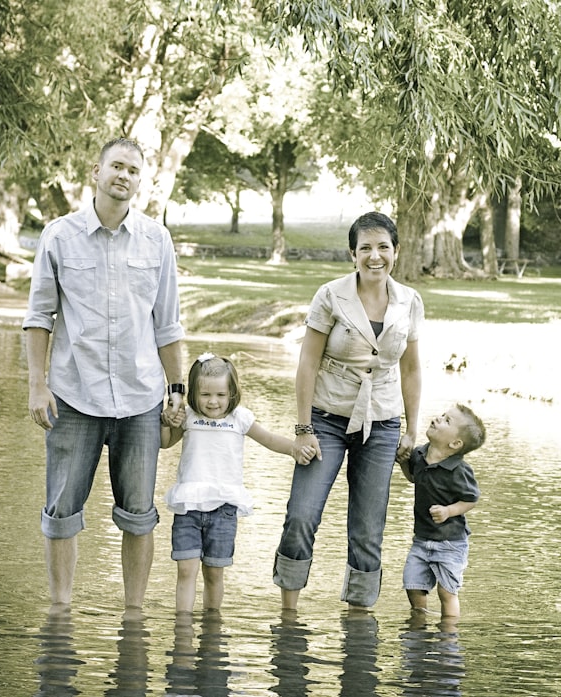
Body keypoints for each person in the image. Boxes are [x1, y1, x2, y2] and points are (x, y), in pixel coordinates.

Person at [22, 137, 185, 612]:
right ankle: (61, 610)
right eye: (117, 166)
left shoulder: (158, 240)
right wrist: (37, 383)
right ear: (95, 172)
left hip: (140, 399)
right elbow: (39, 317)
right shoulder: (59, 236)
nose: (124, 176)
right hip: (74, 395)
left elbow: (169, 324)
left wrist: (177, 391)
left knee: (139, 515)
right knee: (61, 510)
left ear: (140, 181)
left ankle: (133, 615)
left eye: (134, 170)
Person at [274, 211, 423, 611]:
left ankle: (359, 621)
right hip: (325, 417)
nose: (375, 257)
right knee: (302, 515)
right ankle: (289, 614)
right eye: (365, 249)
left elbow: (410, 368)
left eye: (383, 248)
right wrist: (303, 428)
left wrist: (411, 429)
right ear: (352, 254)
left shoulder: (409, 300)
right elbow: (307, 362)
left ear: (396, 251)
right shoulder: (330, 295)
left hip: (383, 420)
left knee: (368, 529)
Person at [161, 353, 315, 614]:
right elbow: (165, 442)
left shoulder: (239, 418)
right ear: (194, 394)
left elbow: (268, 439)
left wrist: (294, 449)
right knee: (186, 570)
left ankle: (211, 625)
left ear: (231, 393)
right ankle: (183, 627)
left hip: (223, 508)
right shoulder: (187, 416)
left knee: (213, 573)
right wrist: (166, 421)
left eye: (221, 395)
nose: (213, 402)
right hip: (189, 506)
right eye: (206, 395)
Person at [397, 404, 485, 620]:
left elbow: (471, 499)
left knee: (446, 591)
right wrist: (403, 464)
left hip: (450, 542)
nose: (437, 419)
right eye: (442, 416)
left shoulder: (459, 470)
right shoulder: (419, 454)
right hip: (422, 538)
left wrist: (448, 511)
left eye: (447, 421)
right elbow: (414, 478)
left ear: (455, 443)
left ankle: (448, 634)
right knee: (413, 584)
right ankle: (419, 622)